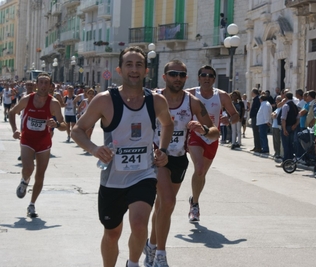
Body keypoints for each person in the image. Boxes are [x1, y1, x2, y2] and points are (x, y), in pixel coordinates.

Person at [71, 46, 174, 267]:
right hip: (112, 179)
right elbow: (77, 130)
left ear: (146, 70)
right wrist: (94, 149)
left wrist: (163, 151)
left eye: (139, 65)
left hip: (143, 174)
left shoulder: (156, 101)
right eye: (129, 64)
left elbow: (168, 124)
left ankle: (133, 263)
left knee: (139, 224)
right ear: (119, 69)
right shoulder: (104, 100)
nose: (134, 69)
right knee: (112, 233)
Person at [145, 60, 219, 267]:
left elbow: (214, 132)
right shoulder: (151, 98)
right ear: (164, 76)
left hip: (178, 159)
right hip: (156, 157)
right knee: (167, 202)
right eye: (173, 74)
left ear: (186, 78)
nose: (177, 78)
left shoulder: (192, 102)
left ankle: (150, 245)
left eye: (181, 75)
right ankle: (160, 254)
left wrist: (202, 130)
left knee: (162, 206)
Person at [8, 72, 67, 217]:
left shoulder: (53, 103)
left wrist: (57, 124)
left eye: (46, 83)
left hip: (44, 142)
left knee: (40, 175)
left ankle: (32, 205)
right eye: (40, 82)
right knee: (28, 168)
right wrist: (15, 130)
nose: (43, 85)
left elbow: (65, 125)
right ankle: (24, 180)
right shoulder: (27, 99)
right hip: (27, 139)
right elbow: (12, 112)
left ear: (50, 86)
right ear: (36, 85)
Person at [186, 65, 239, 223]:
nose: (206, 78)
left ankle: (194, 198)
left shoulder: (222, 96)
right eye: (203, 75)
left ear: (214, 79)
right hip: (194, 135)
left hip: (212, 136)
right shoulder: (189, 94)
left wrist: (228, 120)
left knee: (202, 174)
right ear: (199, 78)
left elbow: (236, 115)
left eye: (210, 75)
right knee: (199, 167)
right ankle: (195, 206)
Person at [276, 92, 299, 166]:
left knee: (285, 145)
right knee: (291, 144)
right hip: (292, 127)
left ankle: (285, 161)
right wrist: (295, 125)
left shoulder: (286, 106)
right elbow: (298, 118)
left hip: (287, 126)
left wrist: (284, 129)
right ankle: (291, 160)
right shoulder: (295, 106)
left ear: (285, 97)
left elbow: (283, 119)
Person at [249, 88, 261, 152]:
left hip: (256, 117)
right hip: (254, 117)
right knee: (255, 132)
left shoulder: (257, 99)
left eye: (252, 92)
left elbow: (257, 108)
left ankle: (258, 147)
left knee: (256, 132)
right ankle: (256, 146)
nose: (251, 94)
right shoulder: (255, 99)